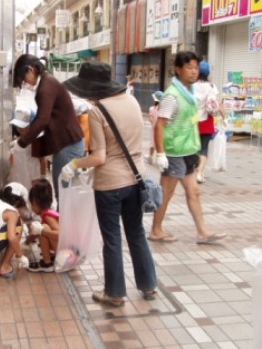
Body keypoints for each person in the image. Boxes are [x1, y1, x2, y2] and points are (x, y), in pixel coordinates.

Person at [61, 61, 157, 307]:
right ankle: (148, 286)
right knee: (136, 233)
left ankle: (114, 293)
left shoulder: (97, 111)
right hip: (137, 179)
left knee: (112, 238)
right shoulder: (133, 101)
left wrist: (73, 165)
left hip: (110, 185)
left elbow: (99, 157)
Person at [149, 51, 227, 244]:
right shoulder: (172, 96)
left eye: (196, 68)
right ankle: (156, 230)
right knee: (166, 193)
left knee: (194, 191)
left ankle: (202, 231)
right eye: (189, 68)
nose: (194, 72)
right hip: (174, 152)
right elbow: (160, 125)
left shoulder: (190, 93)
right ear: (178, 69)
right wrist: (160, 154)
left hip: (189, 150)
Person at [11, 54, 85, 201]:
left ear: (31, 69)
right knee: (65, 193)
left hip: (68, 145)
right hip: (69, 143)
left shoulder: (46, 86)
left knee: (63, 194)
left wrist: (22, 142)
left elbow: (43, 120)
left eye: (24, 79)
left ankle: (63, 223)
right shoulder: (47, 82)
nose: (26, 83)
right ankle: (64, 223)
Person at [195, 61, 226, 183]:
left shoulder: (192, 86)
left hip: (192, 121)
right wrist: (224, 118)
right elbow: (219, 103)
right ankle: (200, 173)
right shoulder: (211, 86)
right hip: (207, 120)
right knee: (204, 148)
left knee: (194, 148)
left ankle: (195, 169)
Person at [27, 178, 59, 272]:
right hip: (67, 251)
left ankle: (47, 263)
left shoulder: (48, 216)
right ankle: (51, 257)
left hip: (68, 254)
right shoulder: (48, 213)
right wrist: (29, 239)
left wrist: (42, 231)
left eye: (31, 204)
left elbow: (61, 234)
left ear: (36, 202)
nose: (31, 207)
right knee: (41, 228)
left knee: (43, 228)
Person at [8, 105, 43, 190]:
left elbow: (42, 159)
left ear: (32, 125)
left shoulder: (36, 140)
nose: (19, 128)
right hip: (17, 178)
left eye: (23, 126)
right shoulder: (17, 141)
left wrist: (43, 177)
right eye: (17, 125)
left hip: (32, 178)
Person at [145, 91, 164, 164]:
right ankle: (160, 157)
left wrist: (153, 122)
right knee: (161, 143)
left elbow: (150, 119)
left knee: (152, 143)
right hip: (162, 129)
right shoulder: (163, 109)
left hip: (154, 129)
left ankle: (150, 157)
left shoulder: (152, 109)